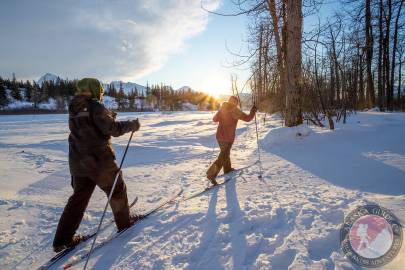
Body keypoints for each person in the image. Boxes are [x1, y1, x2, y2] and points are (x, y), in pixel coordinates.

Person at [53, 78, 141, 252]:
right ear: (93, 90)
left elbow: (91, 127)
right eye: (99, 90)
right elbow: (112, 129)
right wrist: (133, 125)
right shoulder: (95, 106)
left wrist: (108, 116)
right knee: (117, 190)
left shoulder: (74, 107)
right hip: (99, 161)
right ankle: (124, 225)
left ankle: (62, 240)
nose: (101, 94)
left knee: (78, 199)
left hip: (78, 162)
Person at [206, 96, 257, 185]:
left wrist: (221, 112)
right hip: (228, 137)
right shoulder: (235, 110)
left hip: (219, 136)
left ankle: (227, 169)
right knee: (223, 155)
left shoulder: (223, 108)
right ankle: (211, 174)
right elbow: (248, 119)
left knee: (225, 153)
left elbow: (214, 119)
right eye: (236, 102)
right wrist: (253, 111)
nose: (236, 104)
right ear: (235, 103)